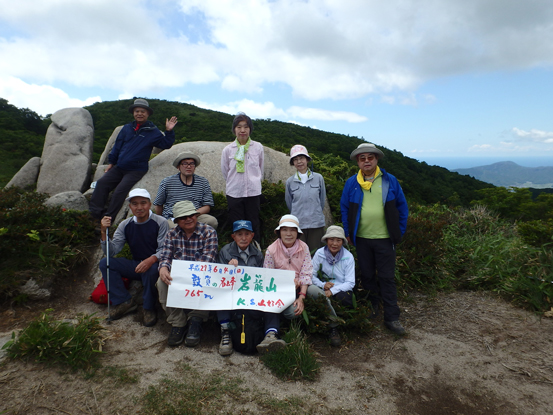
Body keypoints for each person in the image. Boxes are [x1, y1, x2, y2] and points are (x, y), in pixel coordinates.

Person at [340, 143, 408, 335]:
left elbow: (402, 208)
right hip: (361, 238)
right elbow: (345, 208)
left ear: (377, 159)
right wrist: (348, 231)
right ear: (358, 162)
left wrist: (398, 231)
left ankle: (392, 317)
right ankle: (373, 308)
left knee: (387, 277)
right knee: (367, 275)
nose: (367, 161)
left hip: (385, 239)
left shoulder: (389, 181)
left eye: (370, 157)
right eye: (362, 158)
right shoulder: (352, 183)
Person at [89, 98, 178, 221]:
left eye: (143, 111)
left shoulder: (152, 131)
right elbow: (117, 146)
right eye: (137, 111)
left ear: (147, 114)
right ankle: (94, 214)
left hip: (136, 170)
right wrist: (112, 162)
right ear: (133, 113)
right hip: (119, 167)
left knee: (119, 192)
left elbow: (165, 144)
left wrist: (169, 131)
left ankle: (108, 218)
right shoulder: (127, 128)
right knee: (102, 184)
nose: (139, 113)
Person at [263, 215, 341, 347]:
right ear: (279, 232)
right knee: (291, 313)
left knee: (318, 293)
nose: (288, 234)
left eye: (292, 230)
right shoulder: (271, 250)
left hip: (302, 285)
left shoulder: (303, 247)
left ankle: (333, 325)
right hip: (282, 289)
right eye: (285, 230)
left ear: (297, 233)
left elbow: (306, 273)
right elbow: (269, 276)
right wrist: (286, 285)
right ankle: (286, 328)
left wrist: (301, 297)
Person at [98, 188, 168, 327]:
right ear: (130, 206)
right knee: (105, 262)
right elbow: (111, 251)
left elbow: (165, 249)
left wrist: (151, 259)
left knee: (152, 270)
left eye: (143, 203)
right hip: (136, 264)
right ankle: (123, 301)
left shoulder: (160, 222)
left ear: (149, 204)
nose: (139, 207)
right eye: (135, 204)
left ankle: (148, 308)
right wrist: (103, 231)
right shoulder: (125, 224)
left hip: (155, 264)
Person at [215, 220, 284, 356]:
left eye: (247, 234)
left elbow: (261, 277)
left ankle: (270, 334)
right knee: (219, 295)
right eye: (239, 234)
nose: (243, 238)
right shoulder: (225, 252)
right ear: (233, 237)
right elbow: (219, 279)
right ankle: (226, 332)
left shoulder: (257, 254)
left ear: (252, 235)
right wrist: (228, 269)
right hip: (232, 292)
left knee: (271, 296)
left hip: (252, 294)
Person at [157, 201, 218, 347]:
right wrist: (163, 268)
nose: (189, 219)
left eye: (192, 215)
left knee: (208, 281)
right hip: (179, 275)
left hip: (201, 273)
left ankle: (196, 319)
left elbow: (208, 260)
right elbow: (166, 256)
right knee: (161, 281)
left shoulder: (209, 232)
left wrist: (187, 275)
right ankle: (178, 322)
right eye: (183, 217)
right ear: (177, 220)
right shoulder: (171, 234)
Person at [221, 113, 264, 243]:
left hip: (253, 192)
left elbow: (261, 169)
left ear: (250, 129)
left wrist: (255, 181)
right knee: (237, 224)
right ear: (234, 129)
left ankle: (255, 250)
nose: (242, 130)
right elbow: (225, 172)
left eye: (246, 127)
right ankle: (238, 251)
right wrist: (235, 182)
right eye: (239, 127)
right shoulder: (228, 150)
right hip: (234, 192)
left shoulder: (258, 147)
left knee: (253, 221)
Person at [311, 226, 356, 345]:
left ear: (343, 242)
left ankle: (340, 325)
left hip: (340, 289)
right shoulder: (319, 254)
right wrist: (322, 284)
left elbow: (350, 282)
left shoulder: (348, 257)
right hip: (322, 287)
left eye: (338, 240)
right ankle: (322, 327)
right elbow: (311, 275)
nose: (334, 243)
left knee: (345, 299)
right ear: (326, 240)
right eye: (331, 239)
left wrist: (333, 291)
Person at [154, 152, 218, 229]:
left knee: (212, 221)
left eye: (192, 164)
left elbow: (207, 206)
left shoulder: (203, 182)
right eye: (185, 164)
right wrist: (160, 221)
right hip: (173, 217)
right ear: (178, 167)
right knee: (175, 228)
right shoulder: (167, 182)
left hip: (195, 215)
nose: (188, 166)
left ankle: (200, 240)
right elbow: (158, 204)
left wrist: (191, 215)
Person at [285, 145, 326, 252]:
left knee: (316, 254)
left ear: (307, 159)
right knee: (299, 254)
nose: (299, 162)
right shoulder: (290, 182)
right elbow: (289, 202)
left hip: (316, 224)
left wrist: (315, 212)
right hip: (298, 225)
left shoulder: (318, 178)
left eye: (301, 158)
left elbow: (321, 200)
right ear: (293, 163)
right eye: (295, 159)